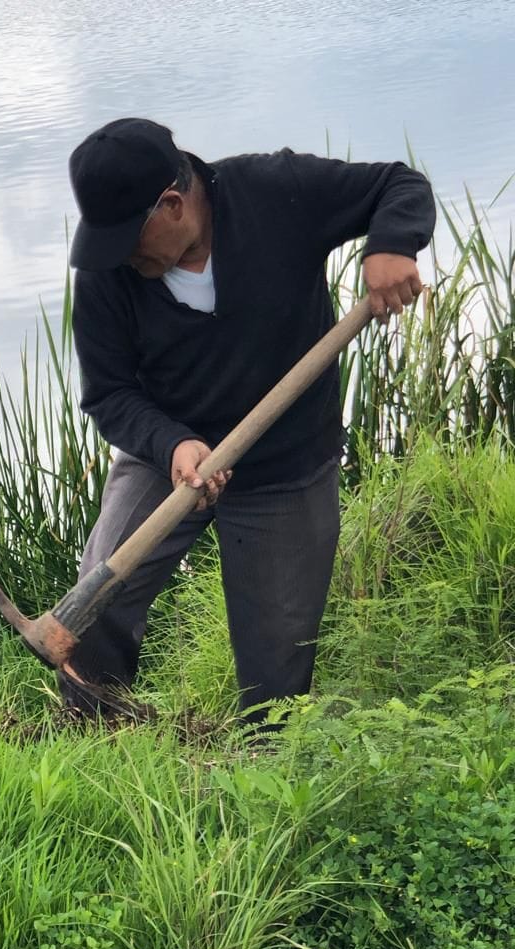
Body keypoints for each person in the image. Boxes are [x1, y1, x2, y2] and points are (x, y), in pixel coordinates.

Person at [61, 117, 436, 725]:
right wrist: (173, 443)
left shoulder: (276, 192)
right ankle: (86, 738)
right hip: (168, 461)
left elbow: (398, 184)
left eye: (129, 239)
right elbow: (108, 394)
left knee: (277, 673)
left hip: (285, 469)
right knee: (96, 604)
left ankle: (261, 785)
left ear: (173, 204)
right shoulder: (109, 272)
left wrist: (392, 243)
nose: (120, 258)